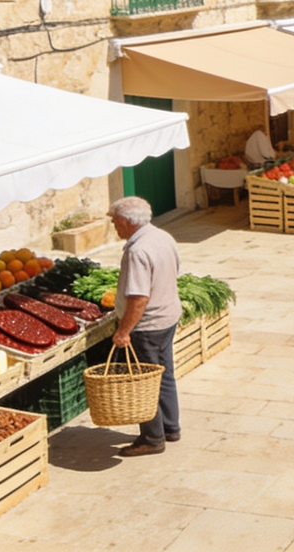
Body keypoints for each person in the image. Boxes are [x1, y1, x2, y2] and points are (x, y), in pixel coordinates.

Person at [110, 196, 182, 457]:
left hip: (149, 326)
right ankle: (170, 427)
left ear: (128, 223)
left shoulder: (136, 251)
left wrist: (124, 331)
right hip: (168, 316)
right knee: (164, 375)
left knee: (145, 383)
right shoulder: (162, 236)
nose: (114, 227)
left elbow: (139, 298)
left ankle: (152, 438)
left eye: (116, 222)